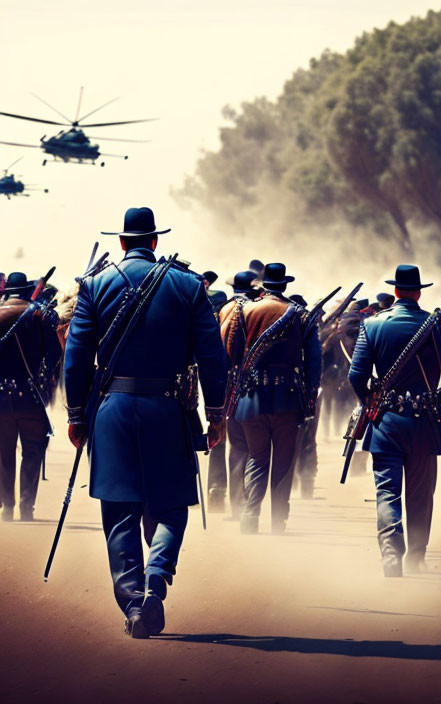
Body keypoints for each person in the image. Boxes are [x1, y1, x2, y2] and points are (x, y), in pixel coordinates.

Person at [64, 206, 228, 639]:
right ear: (153, 242)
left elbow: (76, 358)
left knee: (120, 511)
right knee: (172, 505)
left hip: (112, 412)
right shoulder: (189, 286)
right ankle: (158, 575)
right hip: (168, 409)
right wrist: (216, 416)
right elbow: (213, 359)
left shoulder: (94, 285)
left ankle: (135, 604)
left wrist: (77, 415)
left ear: (122, 242)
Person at [348, 265, 441, 577]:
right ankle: (417, 557)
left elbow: (356, 375)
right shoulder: (438, 326)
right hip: (425, 422)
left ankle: (391, 555)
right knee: (421, 495)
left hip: (385, 423)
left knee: (387, 491)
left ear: (396, 291)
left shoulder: (372, 325)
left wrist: (369, 401)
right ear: (419, 292)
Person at [222, 263, 321, 534]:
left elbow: (232, 354)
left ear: (263, 285)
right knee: (284, 461)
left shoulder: (245, 310)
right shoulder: (300, 315)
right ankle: (279, 520)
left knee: (257, 457)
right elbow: (313, 362)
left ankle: (250, 516)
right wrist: (311, 396)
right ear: (285, 285)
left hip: (250, 398)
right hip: (288, 399)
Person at [0, 272, 62, 521]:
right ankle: (27, 508)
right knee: (33, 453)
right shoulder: (39, 315)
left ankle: (7, 507)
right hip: (30, 396)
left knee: (4, 454)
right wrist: (44, 379)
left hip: (1, 397)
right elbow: (55, 354)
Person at [211, 270, 257, 518]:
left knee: (223, 440)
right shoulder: (257, 309)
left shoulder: (223, 310)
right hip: (252, 385)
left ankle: (220, 495)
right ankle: (247, 503)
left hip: (225, 383)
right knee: (249, 444)